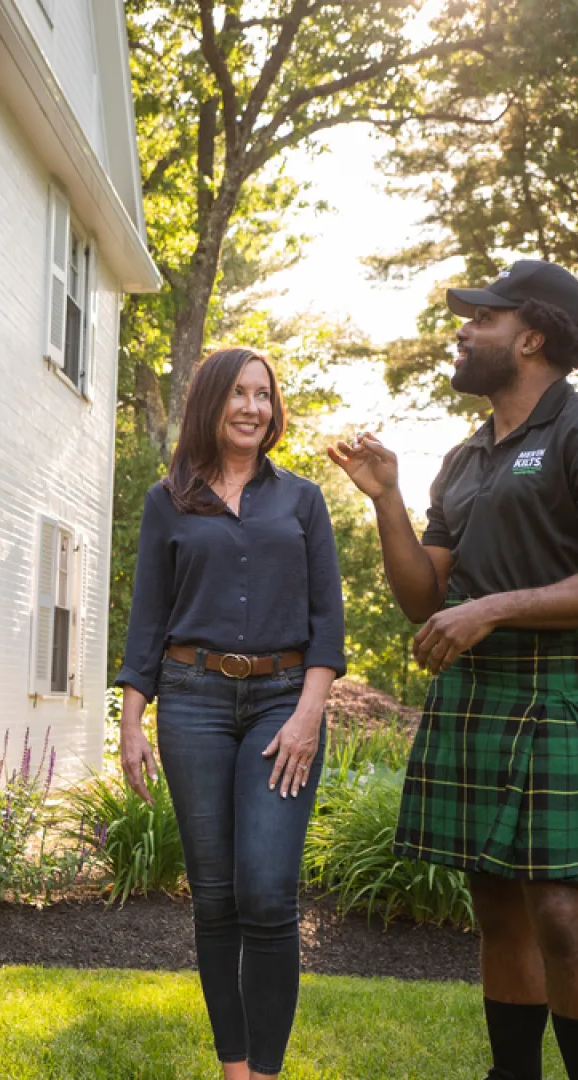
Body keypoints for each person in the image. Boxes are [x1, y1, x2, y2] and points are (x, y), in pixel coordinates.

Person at [327, 260, 578, 1080]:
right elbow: (424, 598)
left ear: (531, 335)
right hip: (478, 691)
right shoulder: (467, 457)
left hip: (558, 688)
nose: (463, 330)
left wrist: (495, 608)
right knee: (497, 910)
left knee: (559, 913)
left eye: (482, 317)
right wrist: (387, 499)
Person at [115, 346, 346, 1080]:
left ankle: (268, 1076)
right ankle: (234, 1069)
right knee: (214, 897)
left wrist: (309, 715)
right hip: (193, 702)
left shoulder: (302, 500)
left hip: (284, 703)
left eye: (265, 396)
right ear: (212, 402)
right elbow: (148, 619)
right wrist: (130, 721)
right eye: (240, 394)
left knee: (268, 893)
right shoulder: (168, 500)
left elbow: (327, 622)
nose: (254, 408)